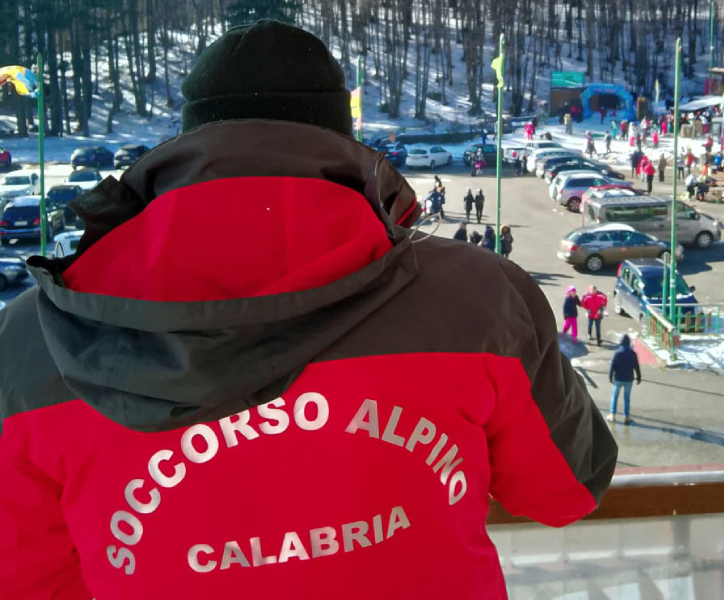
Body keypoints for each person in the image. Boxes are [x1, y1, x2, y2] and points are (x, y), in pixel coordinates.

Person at [0, 20, 618, 600]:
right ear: (339, 133)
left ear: (190, 137)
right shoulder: (479, 295)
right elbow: (566, 490)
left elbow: (31, 577)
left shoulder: (36, 336)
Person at [607, 335, 641, 424]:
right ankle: (626, 416)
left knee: (615, 395)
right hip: (629, 379)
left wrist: (610, 376)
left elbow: (612, 366)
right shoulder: (633, 353)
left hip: (618, 378)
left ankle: (612, 414)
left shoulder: (617, 353)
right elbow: (636, 366)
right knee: (627, 397)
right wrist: (639, 377)